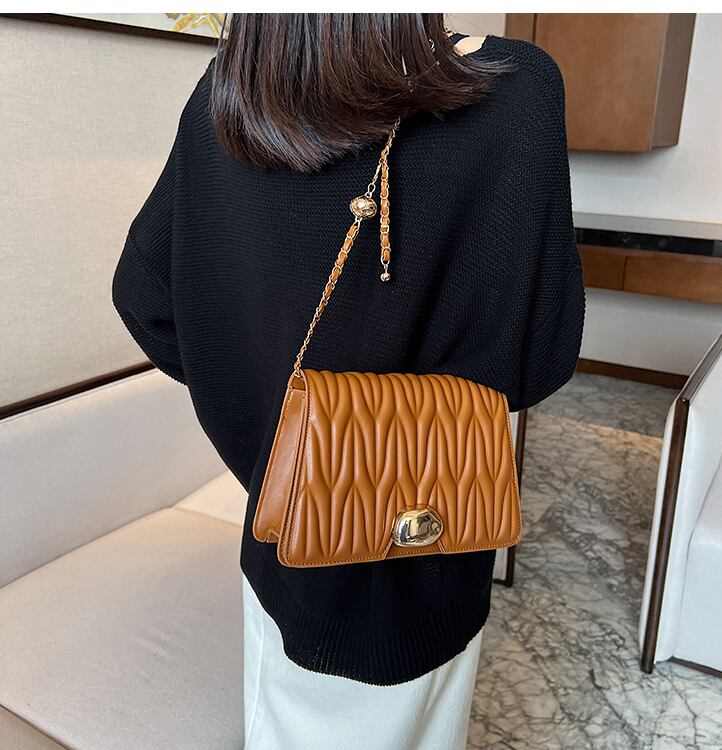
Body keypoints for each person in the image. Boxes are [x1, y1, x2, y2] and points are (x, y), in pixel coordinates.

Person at [112, 13, 585, 750]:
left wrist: (271, 431)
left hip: (286, 540)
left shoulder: (229, 94)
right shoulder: (514, 88)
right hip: (440, 537)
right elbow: (540, 359)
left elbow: (147, 301)